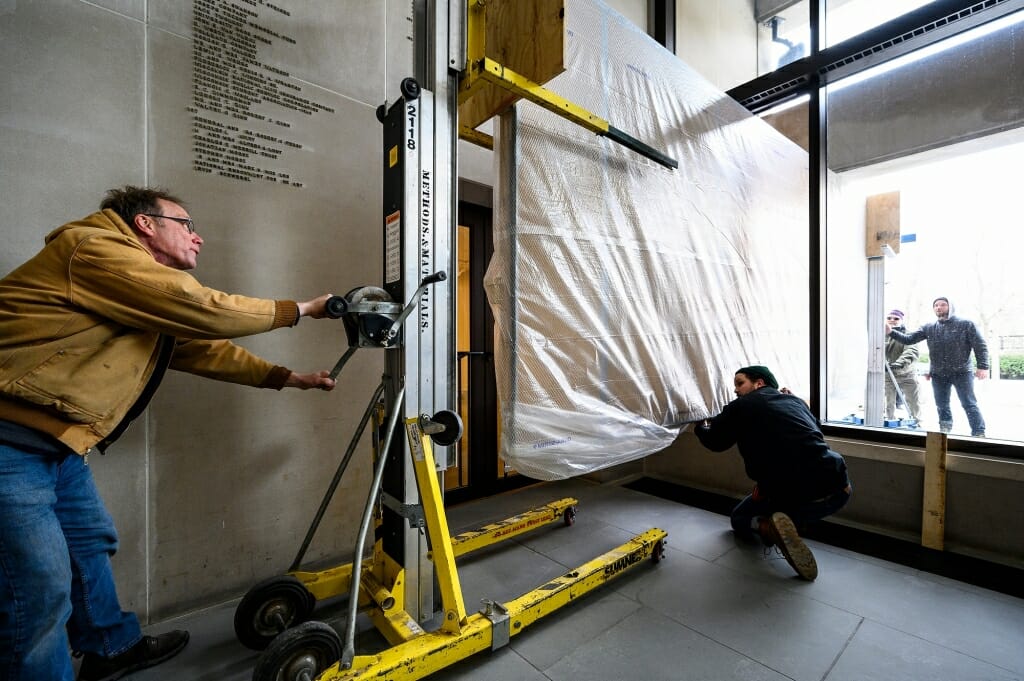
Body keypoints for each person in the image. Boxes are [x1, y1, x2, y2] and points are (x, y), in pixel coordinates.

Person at [0, 187, 339, 681]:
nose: (198, 238)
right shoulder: (94, 251)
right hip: (10, 443)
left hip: (57, 447)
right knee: (35, 590)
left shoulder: (137, 292)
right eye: (187, 224)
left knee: (88, 544)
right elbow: (203, 308)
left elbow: (202, 349)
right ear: (145, 224)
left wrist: (287, 378)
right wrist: (304, 308)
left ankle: (112, 648)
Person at [694, 366, 851, 581]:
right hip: (834, 482)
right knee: (836, 492)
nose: (736, 391)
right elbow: (814, 431)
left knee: (739, 519)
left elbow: (715, 441)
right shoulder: (796, 402)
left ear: (759, 383)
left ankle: (768, 526)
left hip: (781, 486)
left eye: (740, 383)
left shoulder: (742, 406)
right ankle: (786, 521)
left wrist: (700, 426)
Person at [886, 296, 988, 437]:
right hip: (938, 374)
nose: (938, 308)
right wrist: (891, 332)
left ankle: (979, 432)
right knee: (942, 405)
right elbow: (910, 339)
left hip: (962, 372)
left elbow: (980, 346)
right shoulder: (929, 327)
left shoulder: (966, 324)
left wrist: (983, 367)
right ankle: (944, 431)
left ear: (950, 307)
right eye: (936, 305)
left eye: (942, 305)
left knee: (969, 404)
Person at [884, 309, 921, 424]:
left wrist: (899, 363)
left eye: (896, 318)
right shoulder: (880, 334)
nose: (892, 320)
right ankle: (889, 422)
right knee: (888, 402)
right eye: (889, 318)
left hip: (907, 374)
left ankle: (916, 423)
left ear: (901, 320)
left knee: (914, 401)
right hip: (888, 374)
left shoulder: (908, 334)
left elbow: (911, 350)